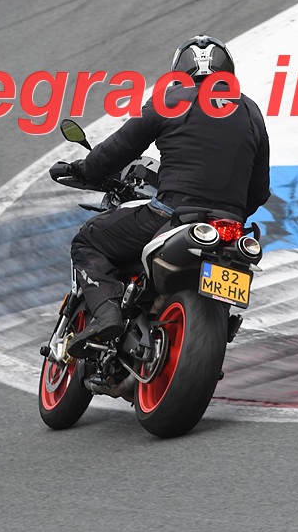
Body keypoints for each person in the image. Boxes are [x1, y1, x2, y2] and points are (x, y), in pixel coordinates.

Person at [63, 34, 271, 357]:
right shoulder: (251, 111)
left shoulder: (169, 99)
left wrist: (85, 169)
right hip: (231, 228)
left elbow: (121, 147)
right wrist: (231, 213)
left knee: (87, 240)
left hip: (172, 213)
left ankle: (106, 313)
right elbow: (259, 190)